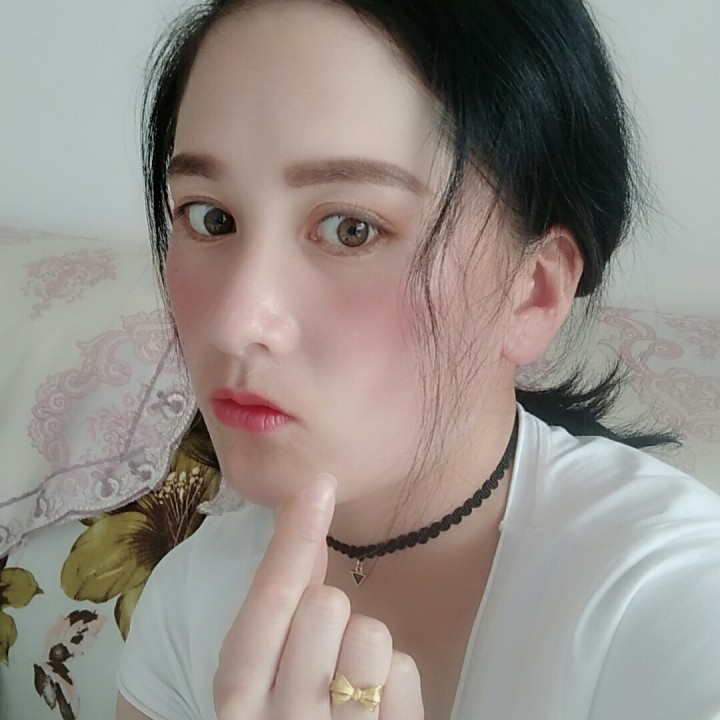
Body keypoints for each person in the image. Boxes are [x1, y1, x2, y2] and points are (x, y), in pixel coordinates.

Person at [116, 0, 720, 718]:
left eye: (351, 228)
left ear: (533, 291)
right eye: (210, 217)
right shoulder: (189, 597)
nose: (234, 322)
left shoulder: (669, 596)